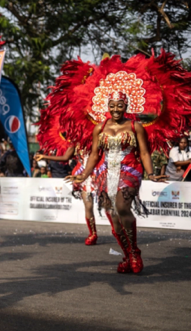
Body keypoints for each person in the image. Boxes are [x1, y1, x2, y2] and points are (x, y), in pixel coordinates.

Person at [68, 92, 166, 274]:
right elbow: (95, 155)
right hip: (106, 174)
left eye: (119, 105)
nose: (115, 109)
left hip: (130, 170)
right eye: (112, 105)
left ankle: (134, 253)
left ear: (126, 106)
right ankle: (127, 256)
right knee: (113, 217)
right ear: (108, 106)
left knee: (121, 207)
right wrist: (84, 175)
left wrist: (151, 174)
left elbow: (144, 153)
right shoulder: (99, 128)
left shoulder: (135, 126)